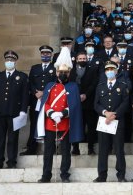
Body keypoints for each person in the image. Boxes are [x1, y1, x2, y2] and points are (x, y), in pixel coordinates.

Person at [36, 47, 84, 183]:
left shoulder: (73, 86)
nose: (62, 74)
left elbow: (74, 105)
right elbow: (45, 103)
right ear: (56, 72)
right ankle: (46, 175)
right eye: (60, 72)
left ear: (69, 73)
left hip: (65, 123)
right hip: (51, 123)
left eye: (65, 72)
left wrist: (62, 114)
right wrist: (51, 113)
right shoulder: (50, 85)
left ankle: (64, 175)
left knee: (65, 151)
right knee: (48, 151)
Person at [0, 50, 29, 169]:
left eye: (12, 60)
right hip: (0, 113)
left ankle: (11, 162)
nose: (9, 62)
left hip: (14, 113)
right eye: (7, 60)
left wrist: (23, 111)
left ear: (15, 61)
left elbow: (25, 95)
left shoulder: (22, 76)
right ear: (4, 61)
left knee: (13, 139)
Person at [93, 61, 130, 182]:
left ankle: (121, 175)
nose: (110, 72)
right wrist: (105, 113)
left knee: (119, 149)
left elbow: (125, 103)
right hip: (104, 121)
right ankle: (102, 175)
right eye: (107, 70)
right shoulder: (100, 86)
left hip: (117, 121)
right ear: (105, 72)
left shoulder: (123, 85)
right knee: (103, 149)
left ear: (116, 71)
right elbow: (96, 104)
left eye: (112, 69)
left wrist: (115, 114)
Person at [21, 45, 56, 156]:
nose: (45, 55)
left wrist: (44, 93)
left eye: (47, 53)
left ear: (51, 55)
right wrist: (35, 92)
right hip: (35, 100)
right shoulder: (35, 68)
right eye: (43, 53)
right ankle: (31, 148)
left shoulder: (55, 67)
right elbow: (30, 82)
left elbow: (56, 83)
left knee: (50, 124)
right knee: (34, 124)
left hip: (49, 101)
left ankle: (52, 148)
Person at [69, 51, 100, 155]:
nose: (82, 60)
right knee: (76, 125)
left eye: (84, 59)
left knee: (91, 126)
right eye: (80, 59)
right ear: (76, 60)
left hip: (89, 102)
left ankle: (91, 148)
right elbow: (69, 84)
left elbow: (94, 83)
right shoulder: (71, 71)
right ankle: (75, 148)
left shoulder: (92, 70)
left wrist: (86, 94)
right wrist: (76, 95)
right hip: (75, 102)